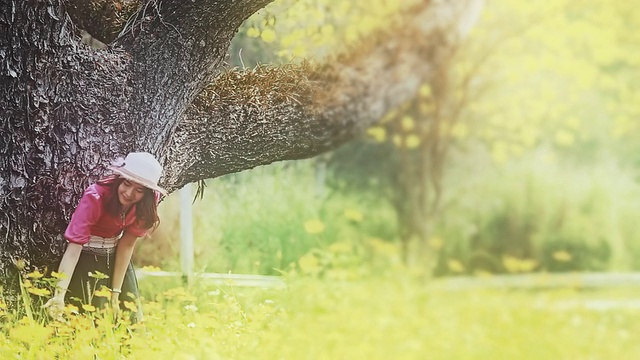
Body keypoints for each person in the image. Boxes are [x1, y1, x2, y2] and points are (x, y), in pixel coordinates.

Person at [44, 152, 167, 322]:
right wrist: (59, 296)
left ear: (147, 193)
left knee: (130, 318)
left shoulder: (147, 204)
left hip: (117, 257)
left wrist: (115, 293)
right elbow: (74, 248)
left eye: (139, 190)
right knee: (94, 318)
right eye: (126, 184)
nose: (129, 193)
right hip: (87, 257)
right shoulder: (95, 197)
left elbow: (127, 244)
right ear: (119, 178)